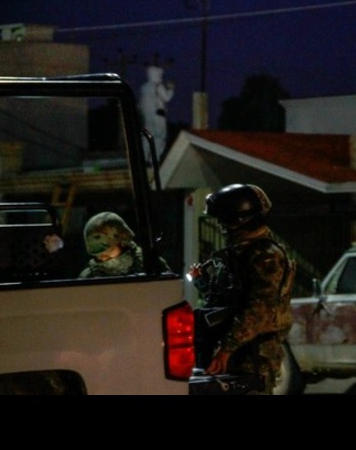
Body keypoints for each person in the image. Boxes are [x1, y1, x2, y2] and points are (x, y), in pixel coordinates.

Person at [192, 183, 295, 395]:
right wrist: (201, 282)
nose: (221, 226)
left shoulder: (265, 256)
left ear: (239, 221)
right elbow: (224, 300)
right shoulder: (241, 254)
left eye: (223, 221)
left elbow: (260, 310)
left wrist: (227, 348)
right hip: (233, 349)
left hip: (253, 354)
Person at [79, 211, 170, 278]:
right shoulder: (89, 277)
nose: (102, 258)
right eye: (98, 255)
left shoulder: (152, 266)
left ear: (123, 243)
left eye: (107, 252)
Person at [139, 65, 175, 161]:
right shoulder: (158, 85)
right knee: (159, 138)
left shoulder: (144, 87)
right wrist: (171, 89)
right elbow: (166, 98)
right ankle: (153, 160)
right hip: (158, 116)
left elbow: (141, 103)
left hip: (147, 117)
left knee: (147, 138)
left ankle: (144, 158)